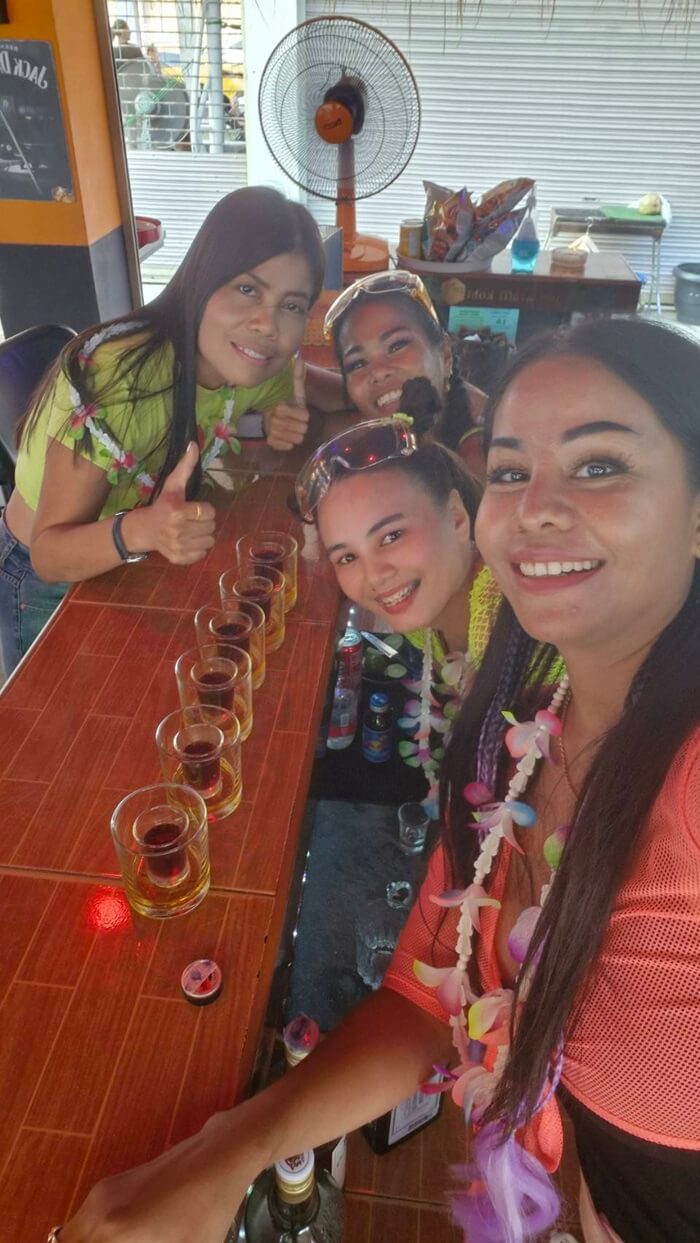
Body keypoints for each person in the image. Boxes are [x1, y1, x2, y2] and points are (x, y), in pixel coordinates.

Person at [58, 316, 700, 1243]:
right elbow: (425, 990)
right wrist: (219, 1154)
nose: (535, 509)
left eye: (599, 465)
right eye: (512, 470)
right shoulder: (522, 718)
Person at [0, 185, 344, 676]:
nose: (267, 324)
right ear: (203, 279)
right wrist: (147, 529)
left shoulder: (253, 360)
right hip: (45, 578)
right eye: (248, 289)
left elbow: (338, 391)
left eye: (291, 306)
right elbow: (49, 554)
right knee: (58, 713)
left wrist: (300, 407)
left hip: (138, 554)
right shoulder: (120, 380)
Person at [297, 416, 496, 808]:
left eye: (391, 536)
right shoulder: (423, 618)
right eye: (347, 556)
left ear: (457, 518)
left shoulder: (519, 626)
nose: (374, 576)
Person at [323, 270, 488, 477]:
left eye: (396, 346)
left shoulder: (485, 459)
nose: (378, 372)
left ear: (445, 356)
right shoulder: (354, 452)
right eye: (357, 364)